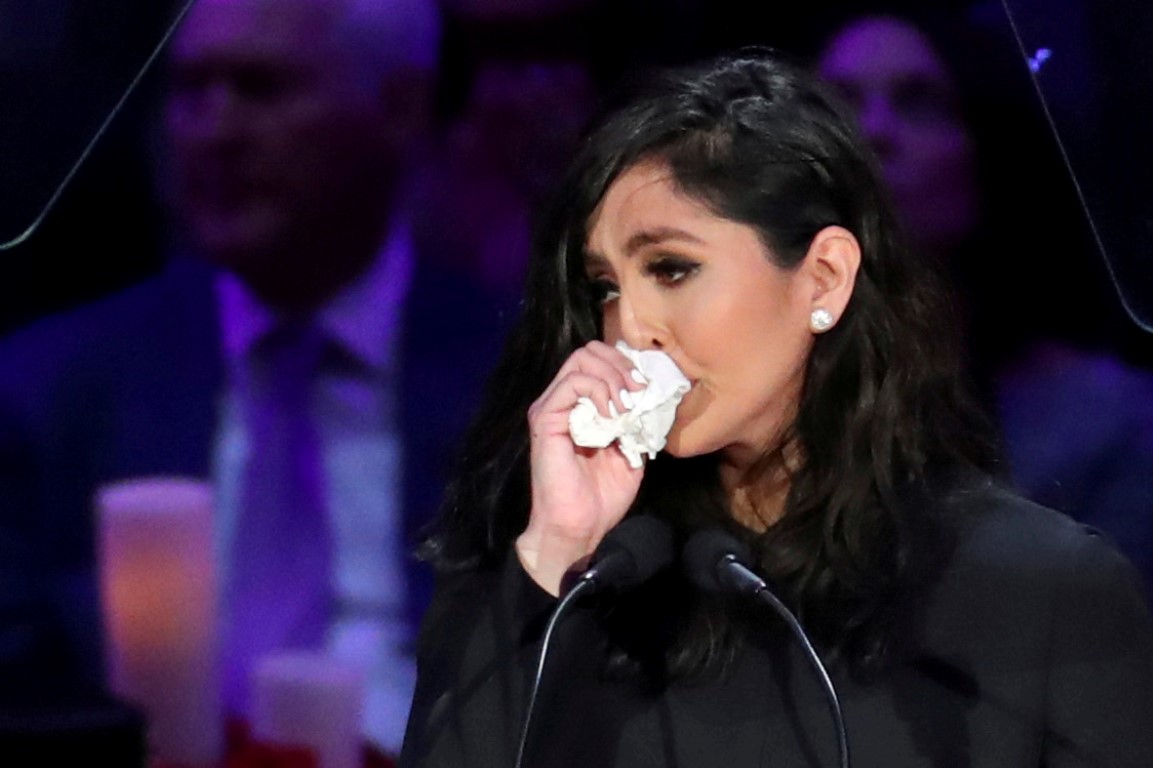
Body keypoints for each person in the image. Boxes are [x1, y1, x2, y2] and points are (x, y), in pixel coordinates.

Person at [398, 50, 1153, 767]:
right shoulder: (569, 581)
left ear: (822, 278)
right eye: (605, 288)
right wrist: (554, 555)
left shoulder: (1044, 594)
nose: (629, 328)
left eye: (671, 268)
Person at [0, 0, 504, 756]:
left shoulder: (526, 377)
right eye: (191, 91)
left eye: (261, 89)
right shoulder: (55, 390)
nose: (214, 129)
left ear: (398, 108)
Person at [814, 7, 1153, 602]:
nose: (873, 132)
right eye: (839, 104)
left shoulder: (1109, 424)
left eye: (918, 102)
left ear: (989, 144)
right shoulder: (740, 399)